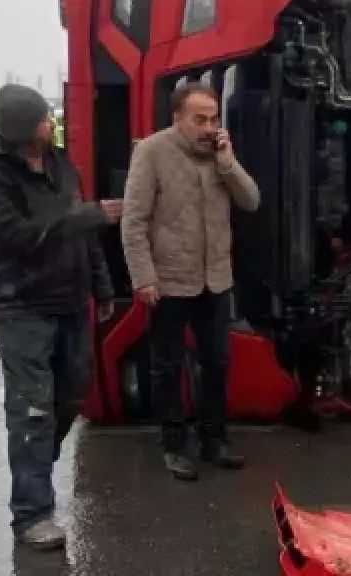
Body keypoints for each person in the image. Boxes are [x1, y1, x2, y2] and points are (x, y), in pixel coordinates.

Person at [0, 84, 122, 550]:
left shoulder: (60, 163)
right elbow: (15, 235)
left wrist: (103, 287)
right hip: (21, 306)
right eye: (42, 119)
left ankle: (34, 466)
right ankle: (32, 515)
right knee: (32, 409)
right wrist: (88, 218)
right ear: (24, 128)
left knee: (71, 393)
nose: (50, 124)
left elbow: (84, 233)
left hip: (71, 300)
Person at [121, 79, 260, 480]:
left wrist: (228, 162)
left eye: (213, 118)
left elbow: (251, 201)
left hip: (215, 280)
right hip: (168, 282)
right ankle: (173, 444)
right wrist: (143, 277)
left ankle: (213, 440)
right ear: (177, 118)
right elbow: (134, 221)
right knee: (166, 366)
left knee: (216, 362)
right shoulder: (151, 152)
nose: (208, 127)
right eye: (199, 119)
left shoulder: (219, 155)